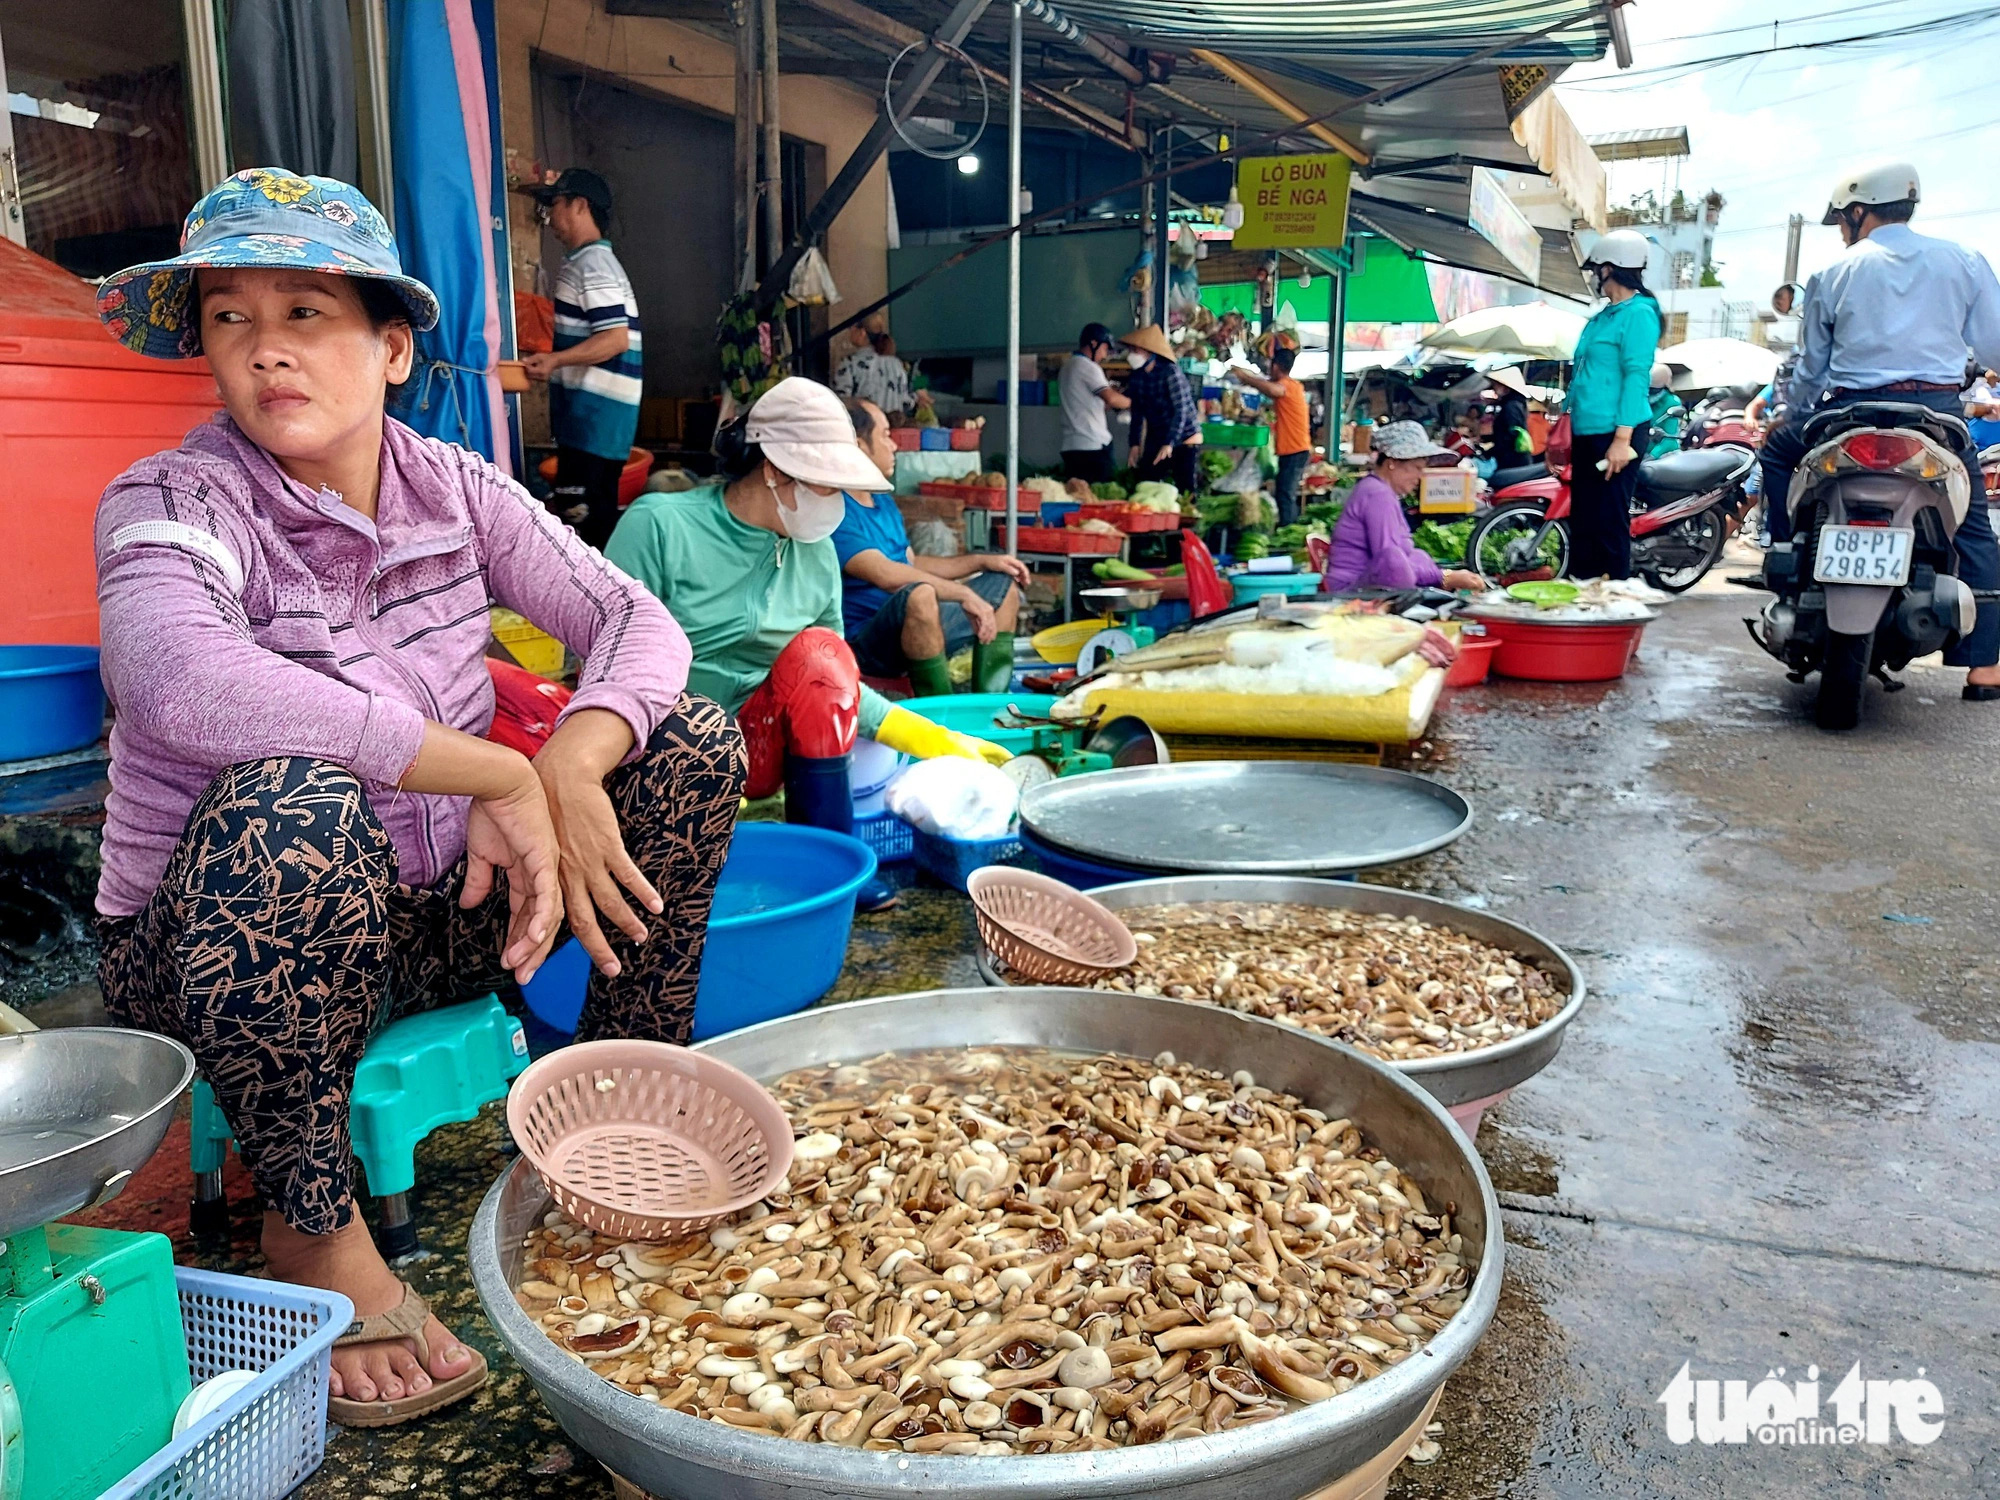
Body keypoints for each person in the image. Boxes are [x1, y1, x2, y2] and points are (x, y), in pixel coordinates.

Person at [90, 169, 743, 1427]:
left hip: (433, 913)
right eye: (231, 318)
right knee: (296, 803)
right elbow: (181, 684)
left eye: (306, 314)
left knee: (692, 745)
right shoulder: (173, 502)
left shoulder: (455, 487)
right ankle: (313, 1225)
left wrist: (570, 757)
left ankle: (618, 1100)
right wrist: (491, 763)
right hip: (216, 945)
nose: (267, 351)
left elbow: (629, 621)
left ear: (391, 349)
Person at [605, 378, 1008, 911]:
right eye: (826, 485)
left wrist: (937, 740)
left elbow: (834, 682)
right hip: (661, 738)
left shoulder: (816, 556)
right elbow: (610, 663)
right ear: (773, 470)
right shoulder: (659, 526)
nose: (837, 503)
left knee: (820, 652)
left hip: (759, 743)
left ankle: (832, 863)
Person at [1759, 161, 2000, 699]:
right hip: (1934, 416)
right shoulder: (1963, 260)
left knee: (1777, 456)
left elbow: (1812, 367)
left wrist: (1792, 413)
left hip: (1848, 412)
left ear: (1859, 211)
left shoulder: (1834, 273)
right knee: (1974, 525)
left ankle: (1780, 557)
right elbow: (1993, 346)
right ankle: (1984, 666)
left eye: (1843, 219)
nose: (1844, 230)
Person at [835, 397, 1028, 694]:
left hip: (918, 623)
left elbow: (911, 564)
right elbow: (887, 575)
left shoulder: (882, 501)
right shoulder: (836, 511)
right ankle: (940, 715)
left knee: (1005, 587)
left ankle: (990, 704)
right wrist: (962, 593)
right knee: (921, 595)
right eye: (886, 435)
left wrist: (980, 562)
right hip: (868, 644)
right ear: (860, 447)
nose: (895, 446)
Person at [519, 169, 642, 551]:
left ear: (579, 205)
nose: (550, 217)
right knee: (591, 522)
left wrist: (554, 361)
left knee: (584, 528)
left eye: (553, 205)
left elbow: (615, 339)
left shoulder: (592, 266)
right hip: (598, 423)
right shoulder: (593, 264)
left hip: (594, 421)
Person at [1565, 228, 1662, 579]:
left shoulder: (1639, 313)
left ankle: (1614, 600)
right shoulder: (1602, 317)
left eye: (1597, 268)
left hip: (1617, 431)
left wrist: (1622, 441)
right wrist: (1565, 424)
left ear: (1612, 267)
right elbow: (1580, 375)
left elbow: (1636, 376)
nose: (1594, 275)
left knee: (1609, 521)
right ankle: (1583, 595)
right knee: (1584, 521)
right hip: (1588, 429)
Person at [1322, 422, 1485, 593]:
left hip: (1365, 581)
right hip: (1350, 589)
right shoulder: (1377, 494)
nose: (1420, 476)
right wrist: (1443, 577)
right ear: (1392, 463)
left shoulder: (1381, 490)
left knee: (1418, 556)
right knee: (1396, 559)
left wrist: (1441, 575)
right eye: (1416, 468)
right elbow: (1390, 559)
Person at [1228, 342, 1311, 525]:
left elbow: (1273, 389)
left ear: (1275, 366)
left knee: (1285, 493)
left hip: (1295, 451)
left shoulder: (1286, 386)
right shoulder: (1294, 385)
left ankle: (1288, 531)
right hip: (1295, 450)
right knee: (1284, 492)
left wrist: (1245, 378)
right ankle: (1288, 526)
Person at [1121, 323, 1200, 494]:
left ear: (1149, 352)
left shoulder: (1170, 372)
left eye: (1136, 350)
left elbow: (1181, 411)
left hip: (1184, 436)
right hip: (1157, 434)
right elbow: (1137, 412)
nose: (1131, 354)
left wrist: (1169, 443)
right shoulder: (1137, 376)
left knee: (1186, 490)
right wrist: (1134, 444)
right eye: (1131, 350)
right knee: (1146, 482)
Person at [1058, 322, 1131, 482]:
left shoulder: (1068, 366)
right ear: (1093, 344)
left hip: (1071, 446)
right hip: (1092, 446)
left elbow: (1097, 404)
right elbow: (1110, 398)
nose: (1104, 355)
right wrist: (1135, 403)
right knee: (1099, 498)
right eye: (1105, 349)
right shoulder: (1087, 366)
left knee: (1078, 498)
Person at [832, 323, 910, 420]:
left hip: (865, 427)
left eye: (851, 328)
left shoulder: (850, 364)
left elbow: (841, 401)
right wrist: (919, 394)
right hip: (893, 427)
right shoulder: (897, 364)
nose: (849, 332)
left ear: (862, 332)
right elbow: (906, 401)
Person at [1483, 366, 1536, 466]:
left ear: (1505, 387)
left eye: (1495, 385)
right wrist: (1487, 439)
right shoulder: (1513, 403)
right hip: (1513, 457)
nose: (1493, 388)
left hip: (1513, 460)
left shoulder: (1511, 405)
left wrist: (1492, 450)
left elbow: (1512, 434)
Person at [1647, 362, 1686, 456]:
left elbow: (1670, 437)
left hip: (1663, 454)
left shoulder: (1672, 402)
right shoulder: (1640, 400)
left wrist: (1652, 456)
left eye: (1654, 390)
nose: (1650, 394)